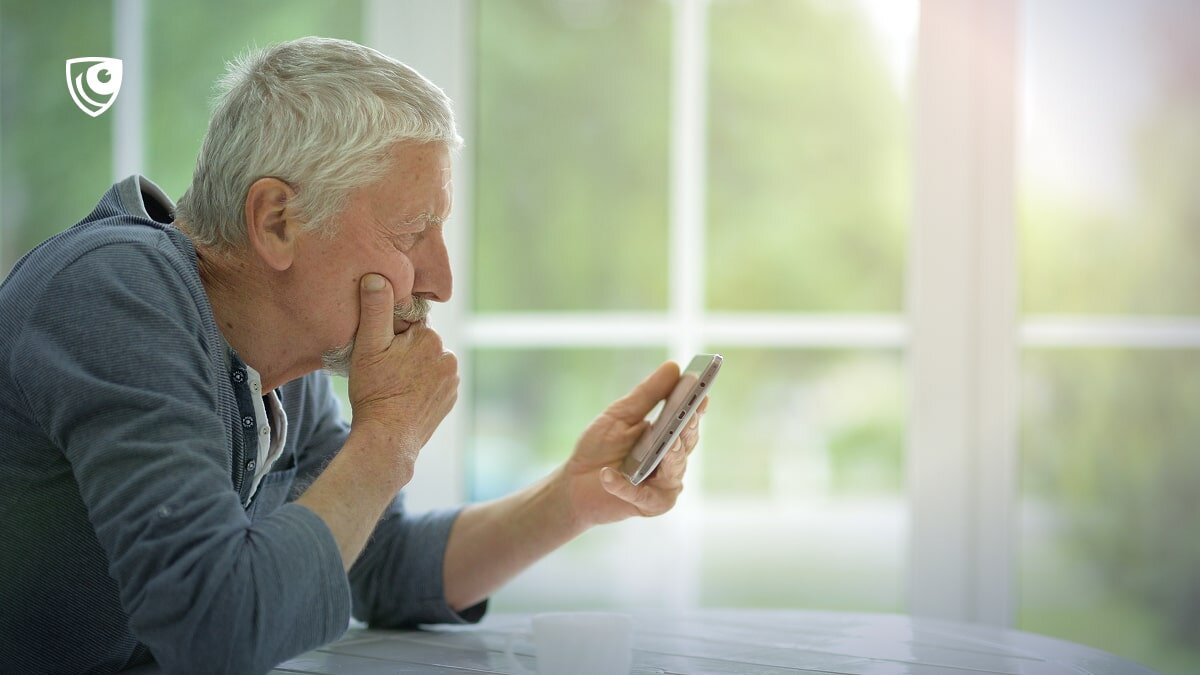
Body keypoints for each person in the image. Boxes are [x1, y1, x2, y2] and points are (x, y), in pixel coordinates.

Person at [0, 36, 707, 674]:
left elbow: (380, 561)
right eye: (411, 232)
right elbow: (214, 630)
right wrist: (387, 438)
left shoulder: (275, 361)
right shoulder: (116, 294)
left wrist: (575, 495)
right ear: (277, 221)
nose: (441, 282)